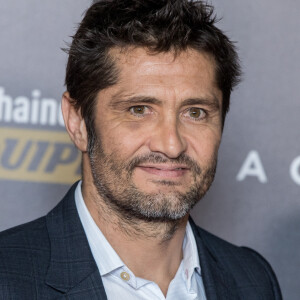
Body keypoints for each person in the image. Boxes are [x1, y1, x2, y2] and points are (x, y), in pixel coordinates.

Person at [0, 0, 282, 299]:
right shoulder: (8, 278)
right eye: (139, 109)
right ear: (78, 121)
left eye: (195, 112)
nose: (171, 145)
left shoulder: (251, 279)